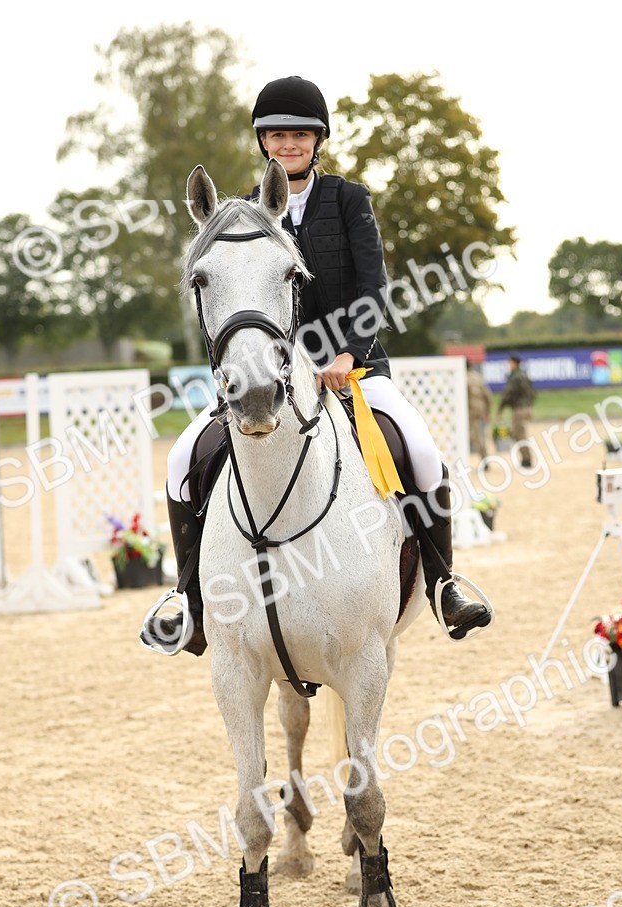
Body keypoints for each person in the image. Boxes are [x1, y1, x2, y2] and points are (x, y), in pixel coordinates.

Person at [141, 75, 491, 655]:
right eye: (277, 135)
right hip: (266, 375)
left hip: (354, 369)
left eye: (300, 134)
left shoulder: (349, 201)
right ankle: (189, 600)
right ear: (263, 142)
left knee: (423, 452)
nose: (289, 144)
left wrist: (348, 352)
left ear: (317, 140)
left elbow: (373, 287)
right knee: (182, 459)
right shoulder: (240, 216)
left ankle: (443, 582)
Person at [498, 353, 535, 467]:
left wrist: (501, 408)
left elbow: (508, 393)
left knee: (518, 434)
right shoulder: (524, 375)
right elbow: (533, 393)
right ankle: (526, 458)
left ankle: (526, 459)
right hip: (527, 407)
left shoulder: (515, 377)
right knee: (519, 433)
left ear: (514, 363)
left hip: (519, 408)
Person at [466, 361, 492, 459]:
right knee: (480, 434)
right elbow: (487, 394)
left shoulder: (463, 378)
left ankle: (483, 457)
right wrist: (488, 410)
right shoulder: (478, 377)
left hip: (470, 411)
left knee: (474, 435)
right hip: (480, 409)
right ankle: (484, 456)